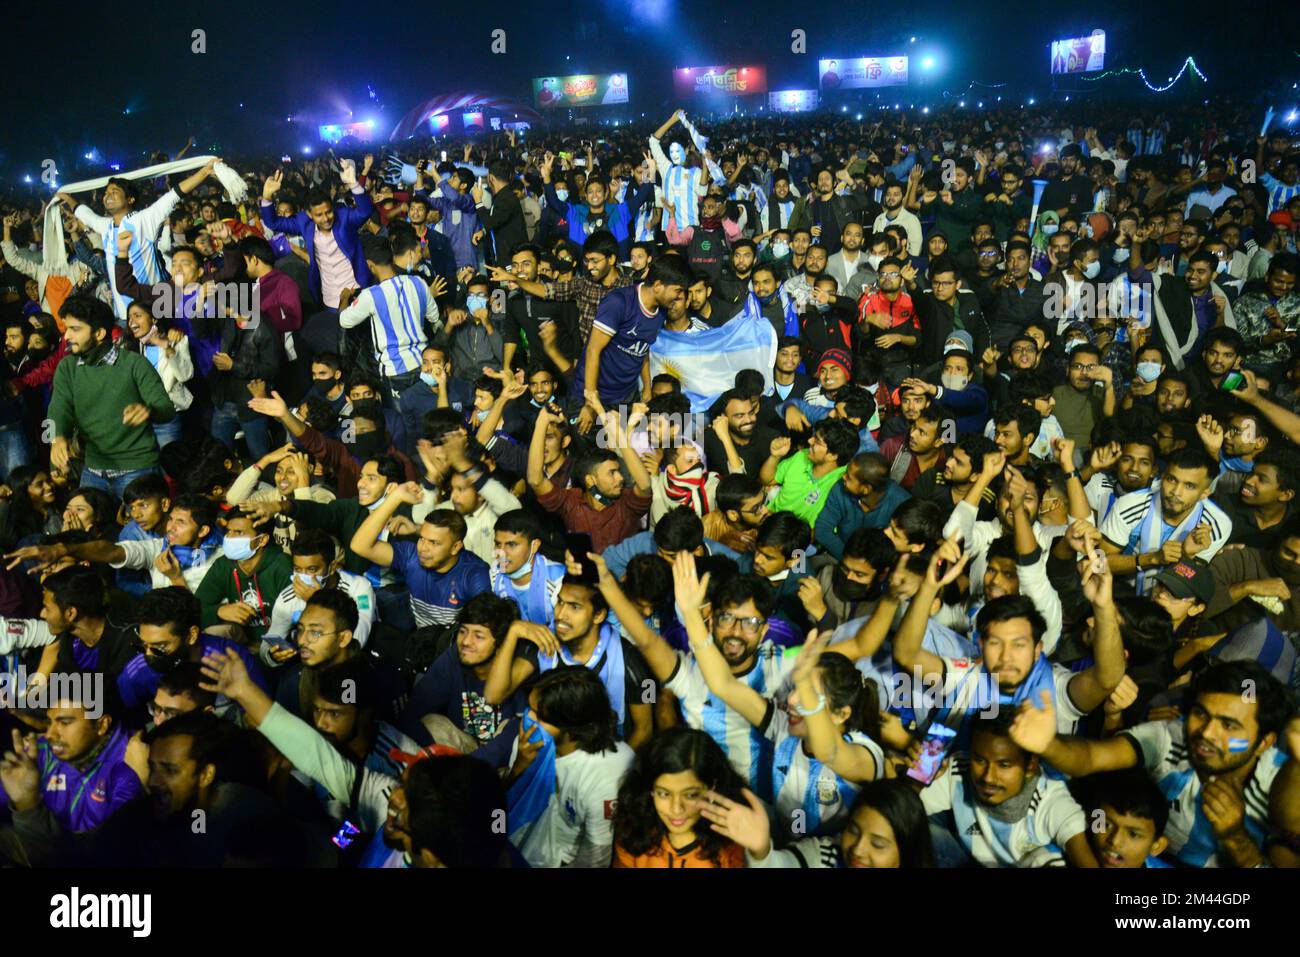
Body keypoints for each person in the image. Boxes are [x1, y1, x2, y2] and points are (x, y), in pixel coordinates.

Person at [1007, 659, 1296, 868]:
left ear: (1264, 742)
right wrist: (1048, 743)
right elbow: (1091, 757)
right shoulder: (1172, 736)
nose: (1206, 732)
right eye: (1200, 713)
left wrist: (1236, 838)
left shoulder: (1285, 786)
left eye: (1229, 726)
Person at [46, 297, 176, 497]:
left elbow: (166, 408)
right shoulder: (67, 367)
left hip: (137, 470)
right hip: (93, 471)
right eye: (66, 329)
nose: (67, 336)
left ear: (99, 333)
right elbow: (58, 408)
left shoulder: (134, 364)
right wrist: (56, 438)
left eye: (75, 329)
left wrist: (149, 411)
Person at [611, 726, 747, 868]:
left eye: (690, 795)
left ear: (711, 787)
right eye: (664, 794)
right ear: (650, 788)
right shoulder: (634, 830)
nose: (676, 809)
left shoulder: (732, 841)